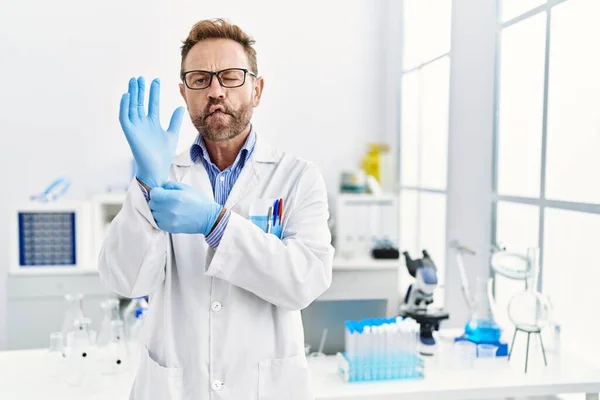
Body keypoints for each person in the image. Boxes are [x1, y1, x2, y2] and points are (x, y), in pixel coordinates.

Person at [98, 18, 334, 400]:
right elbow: (127, 282)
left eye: (230, 76)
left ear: (257, 90)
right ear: (184, 92)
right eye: (200, 79)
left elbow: (304, 282)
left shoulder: (299, 178)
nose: (216, 90)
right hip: (176, 387)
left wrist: (218, 224)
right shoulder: (161, 173)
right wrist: (147, 181)